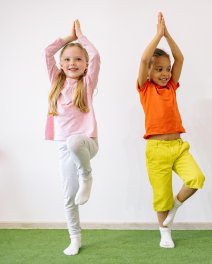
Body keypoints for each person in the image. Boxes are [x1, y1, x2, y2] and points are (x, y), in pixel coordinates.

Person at [137, 12, 205, 248]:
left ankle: (175, 207)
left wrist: (167, 34)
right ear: (148, 73)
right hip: (156, 149)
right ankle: (164, 231)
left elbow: (180, 57)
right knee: (161, 195)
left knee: (197, 178)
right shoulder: (145, 89)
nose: (165, 73)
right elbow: (145, 60)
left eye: (167, 69)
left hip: (178, 146)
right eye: (159, 70)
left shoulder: (172, 87)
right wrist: (157, 36)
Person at [44, 20, 100, 255]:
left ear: (85, 65)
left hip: (87, 143)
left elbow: (96, 55)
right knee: (69, 197)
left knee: (74, 140)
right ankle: (74, 238)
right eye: (67, 59)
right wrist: (67, 38)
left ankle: (87, 175)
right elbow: (47, 52)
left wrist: (81, 37)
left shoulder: (86, 84)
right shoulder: (56, 81)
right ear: (60, 64)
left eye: (78, 59)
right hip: (65, 148)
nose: (72, 63)